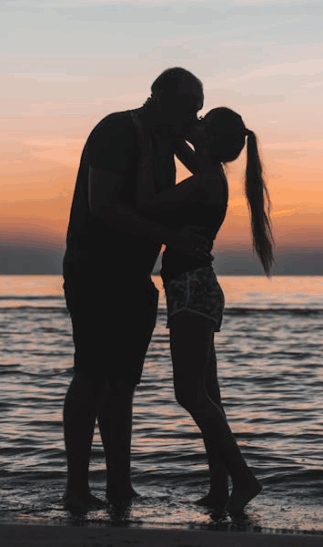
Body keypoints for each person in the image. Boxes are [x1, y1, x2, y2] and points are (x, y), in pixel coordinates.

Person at [61, 67, 211, 512]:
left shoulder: (162, 144)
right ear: (159, 99)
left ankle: (119, 486)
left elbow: (203, 175)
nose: (194, 118)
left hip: (135, 277)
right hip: (94, 270)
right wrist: (174, 238)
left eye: (199, 112)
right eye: (189, 109)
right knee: (91, 373)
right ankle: (76, 488)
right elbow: (102, 204)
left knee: (123, 383)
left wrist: (191, 140)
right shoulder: (117, 130)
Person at [132, 106, 274, 513]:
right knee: (209, 395)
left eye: (200, 121)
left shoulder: (204, 184)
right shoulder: (209, 175)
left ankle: (243, 479)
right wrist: (168, 126)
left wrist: (144, 155)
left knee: (189, 393)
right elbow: (184, 146)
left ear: (209, 137)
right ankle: (219, 488)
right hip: (195, 289)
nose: (192, 125)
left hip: (192, 290)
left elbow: (147, 204)